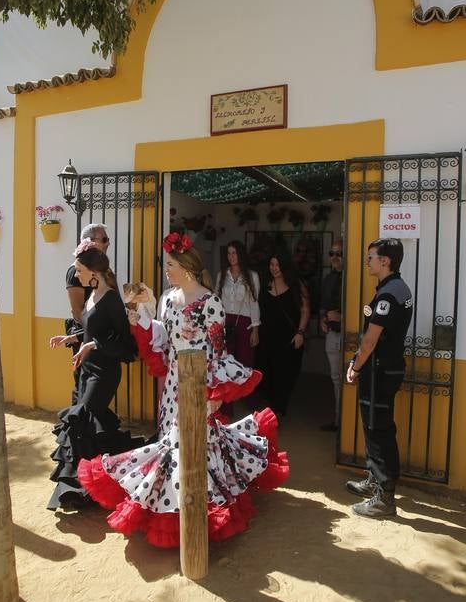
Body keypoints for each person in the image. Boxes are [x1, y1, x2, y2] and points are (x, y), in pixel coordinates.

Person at [77, 231, 289, 547]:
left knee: (197, 446)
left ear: (187, 268)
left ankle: (201, 512)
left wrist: (214, 396)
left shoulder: (210, 302)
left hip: (199, 385)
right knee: (174, 445)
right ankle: (178, 510)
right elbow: (164, 339)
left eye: (171, 265)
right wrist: (142, 320)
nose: (166, 270)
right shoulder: (167, 299)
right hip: (173, 387)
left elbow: (218, 353)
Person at [47, 238, 138, 511]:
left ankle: (83, 488)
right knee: (90, 427)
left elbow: (127, 346)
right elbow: (93, 331)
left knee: (83, 420)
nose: (76, 275)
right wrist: (73, 338)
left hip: (104, 373)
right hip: (86, 370)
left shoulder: (111, 299)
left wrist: (92, 345)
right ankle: (96, 485)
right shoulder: (93, 294)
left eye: (79, 270)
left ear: (93, 271)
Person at [346, 238, 413, 517]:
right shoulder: (396, 288)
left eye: (371, 257)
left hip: (379, 370)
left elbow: (370, 340)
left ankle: (385, 498)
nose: (368, 262)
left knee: (378, 431)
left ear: (385, 261)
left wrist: (355, 366)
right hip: (385, 368)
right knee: (376, 427)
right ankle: (375, 480)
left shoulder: (388, 295)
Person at [257, 251, 310, 418]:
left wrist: (300, 332)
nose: (274, 268)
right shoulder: (264, 285)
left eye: (278, 265)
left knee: (285, 374)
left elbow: (305, 310)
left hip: (289, 339)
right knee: (266, 374)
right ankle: (272, 407)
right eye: (272, 264)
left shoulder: (296, 285)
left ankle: (278, 409)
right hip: (266, 338)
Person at [65, 223, 111, 402]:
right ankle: (77, 418)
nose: (108, 244)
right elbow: (77, 311)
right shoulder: (75, 272)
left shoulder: (100, 270)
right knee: (83, 385)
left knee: (97, 388)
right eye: (104, 239)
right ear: (89, 241)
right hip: (85, 334)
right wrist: (91, 336)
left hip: (97, 336)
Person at [215, 240, 260, 368]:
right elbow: (216, 301)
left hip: (244, 323)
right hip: (225, 323)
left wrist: (255, 330)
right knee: (226, 362)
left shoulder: (252, 276)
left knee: (243, 362)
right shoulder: (222, 275)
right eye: (229, 253)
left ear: (240, 254)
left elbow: (254, 303)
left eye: (234, 253)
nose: (231, 256)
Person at [319, 239, 343, 431]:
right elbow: (324, 304)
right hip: (332, 334)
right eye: (332, 253)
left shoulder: (353, 278)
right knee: (336, 378)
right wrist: (322, 319)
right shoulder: (328, 278)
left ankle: (345, 424)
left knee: (347, 380)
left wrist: (343, 317)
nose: (334, 257)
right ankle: (338, 421)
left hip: (348, 335)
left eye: (339, 254)